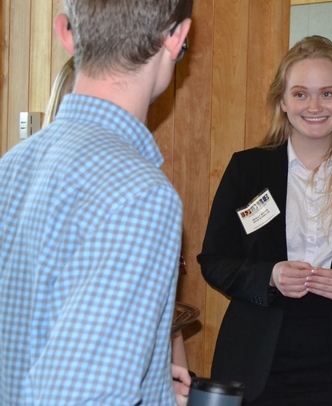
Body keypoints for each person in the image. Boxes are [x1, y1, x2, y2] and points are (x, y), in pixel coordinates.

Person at [198, 35, 332, 405]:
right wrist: (269, 275)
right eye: (300, 94)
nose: (314, 106)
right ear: (282, 101)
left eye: (327, 93)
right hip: (258, 366)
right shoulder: (247, 169)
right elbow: (214, 260)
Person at [0, 0, 193, 404]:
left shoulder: (11, 167)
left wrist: (151, 382)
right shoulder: (142, 195)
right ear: (176, 38)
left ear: (65, 32)